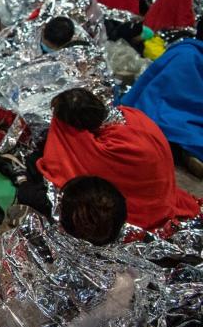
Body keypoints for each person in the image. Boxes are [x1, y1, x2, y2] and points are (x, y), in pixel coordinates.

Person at [36, 88, 200, 230]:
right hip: (163, 198)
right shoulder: (134, 116)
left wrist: (64, 132)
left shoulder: (107, 151)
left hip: (146, 213)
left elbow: (60, 166)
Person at [120, 38, 203, 178]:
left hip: (149, 110)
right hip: (185, 120)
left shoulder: (179, 50)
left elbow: (146, 80)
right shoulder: (193, 55)